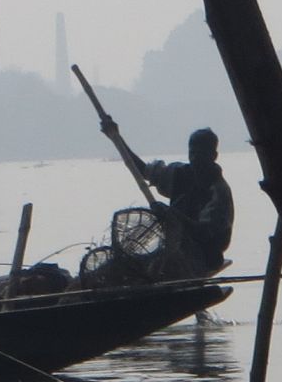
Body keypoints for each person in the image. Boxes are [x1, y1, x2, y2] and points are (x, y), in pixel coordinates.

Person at [99, 116, 235, 277]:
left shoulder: (219, 192)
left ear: (214, 155)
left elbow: (204, 234)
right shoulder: (180, 174)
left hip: (204, 255)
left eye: (202, 154)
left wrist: (171, 215)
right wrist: (116, 137)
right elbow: (144, 170)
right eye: (193, 153)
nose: (196, 158)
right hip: (174, 249)